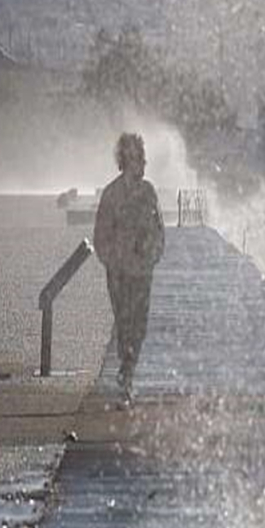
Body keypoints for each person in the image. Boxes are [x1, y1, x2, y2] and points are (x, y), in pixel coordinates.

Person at [93, 133, 165, 397]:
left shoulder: (148, 192)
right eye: (136, 159)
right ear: (124, 161)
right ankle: (127, 371)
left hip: (142, 272)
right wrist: (113, 262)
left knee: (140, 326)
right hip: (119, 274)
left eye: (143, 159)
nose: (142, 164)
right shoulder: (111, 195)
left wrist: (153, 255)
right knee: (124, 324)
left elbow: (158, 229)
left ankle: (128, 369)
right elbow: (100, 235)